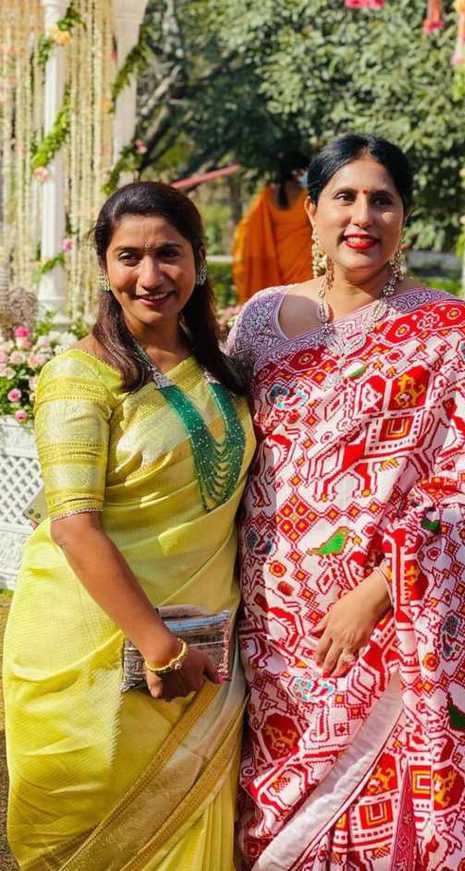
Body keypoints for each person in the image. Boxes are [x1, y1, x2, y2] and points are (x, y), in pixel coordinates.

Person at [228, 134, 465, 869]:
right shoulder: (259, 322)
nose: (363, 215)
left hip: (387, 628)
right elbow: (228, 455)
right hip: (272, 631)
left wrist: (377, 594)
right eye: (344, 198)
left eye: (381, 199)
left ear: (405, 217)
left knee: (385, 823)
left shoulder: (450, 332)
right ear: (313, 212)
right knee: (272, 817)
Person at [3, 181, 255, 867]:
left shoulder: (221, 371)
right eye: (129, 256)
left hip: (204, 654)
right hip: (100, 658)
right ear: (105, 268)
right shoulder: (79, 379)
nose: (150, 276)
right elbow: (74, 527)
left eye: (168, 254)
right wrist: (161, 648)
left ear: (199, 262)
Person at [232, 151, 314, 302]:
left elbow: (247, 227)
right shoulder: (308, 196)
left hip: (277, 262)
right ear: (299, 172)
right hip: (303, 262)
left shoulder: (268, 195)